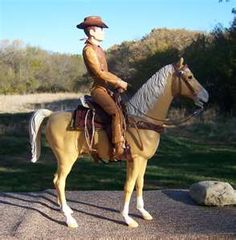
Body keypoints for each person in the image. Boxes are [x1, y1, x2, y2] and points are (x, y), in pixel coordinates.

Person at [76, 16, 128, 158]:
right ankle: (118, 148)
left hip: (106, 88)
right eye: (101, 29)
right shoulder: (88, 50)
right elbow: (99, 72)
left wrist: (116, 85)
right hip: (98, 90)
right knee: (115, 113)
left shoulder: (98, 49)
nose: (103, 32)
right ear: (91, 32)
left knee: (123, 110)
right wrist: (118, 81)